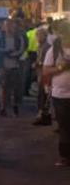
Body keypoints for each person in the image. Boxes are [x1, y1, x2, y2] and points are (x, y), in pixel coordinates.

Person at [45, 23, 70, 167]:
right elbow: (46, 71)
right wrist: (60, 67)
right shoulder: (53, 50)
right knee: (64, 126)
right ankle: (66, 156)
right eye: (63, 33)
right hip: (60, 95)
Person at [0, 18, 25, 117]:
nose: (9, 27)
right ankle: (2, 107)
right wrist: (8, 52)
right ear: (4, 27)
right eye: (6, 25)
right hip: (3, 66)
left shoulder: (18, 38)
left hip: (15, 65)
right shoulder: (1, 38)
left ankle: (14, 105)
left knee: (14, 87)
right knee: (3, 87)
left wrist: (12, 54)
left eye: (10, 25)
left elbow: (21, 49)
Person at [34, 23, 53, 126]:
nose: (37, 37)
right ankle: (42, 114)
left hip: (44, 74)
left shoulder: (46, 47)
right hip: (41, 73)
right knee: (42, 95)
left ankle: (43, 115)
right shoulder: (40, 46)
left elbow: (46, 62)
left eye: (38, 35)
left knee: (43, 95)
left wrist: (37, 63)